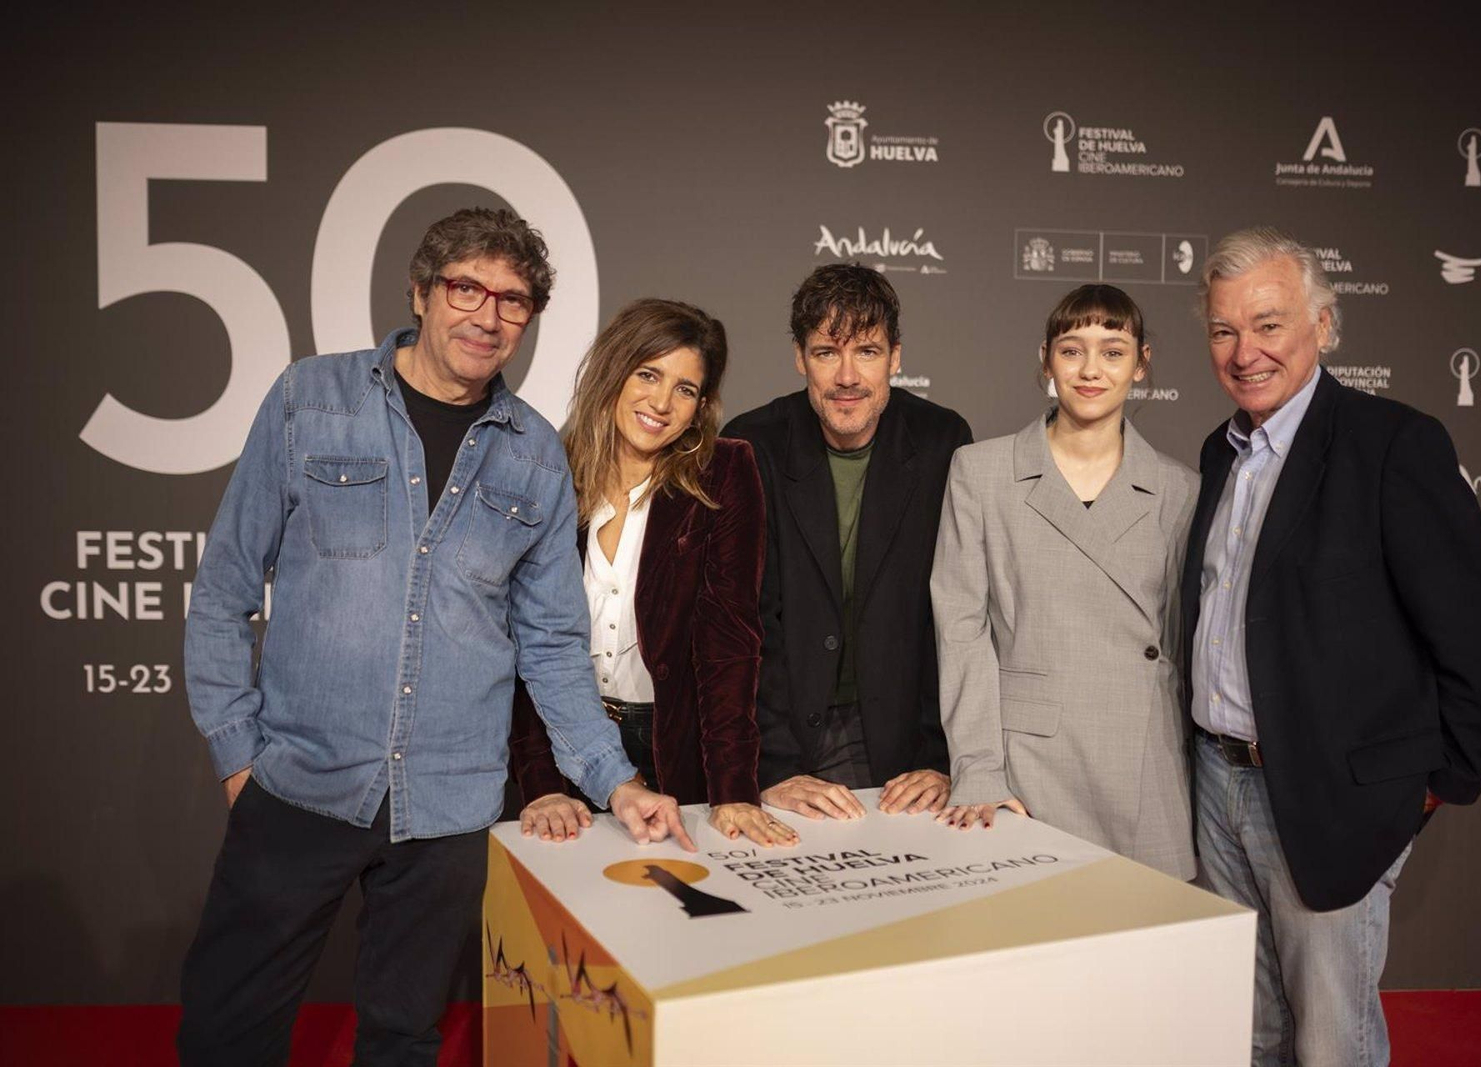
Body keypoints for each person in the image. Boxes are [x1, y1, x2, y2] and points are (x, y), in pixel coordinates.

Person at [178, 208, 692, 1067]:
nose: (488, 316)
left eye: (514, 300)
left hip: (448, 809)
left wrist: (617, 779)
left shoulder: (533, 454)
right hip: (299, 783)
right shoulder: (312, 398)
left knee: (403, 1041)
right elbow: (227, 585)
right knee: (227, 1031)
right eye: (467, 288)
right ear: (421, 291)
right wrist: (239, 756)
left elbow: (554, 644)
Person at [1183, 227, 1481, 1065]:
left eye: (1269, 324)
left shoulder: (1391, 444)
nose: (1245, 351)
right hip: (1216, 784)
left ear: (1324, 326)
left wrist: (1434, 782)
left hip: (1330, 798)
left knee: (1332, 1041)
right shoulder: (1218, 453)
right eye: (1225, 330)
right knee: (1250, 1032)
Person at [509, 298, 799, 848]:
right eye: (648, 375)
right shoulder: (549, 468)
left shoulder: (725, 473)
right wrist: (540, 782)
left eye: (685, 389)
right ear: (615, 371)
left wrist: (734, 788)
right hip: (564, 737)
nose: (662, 403)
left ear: (702, 404)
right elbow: (525, 644)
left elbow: (729, 641)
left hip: (673, 742)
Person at [931, 285, 1198, 879]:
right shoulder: (982, 471)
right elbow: (962, 630)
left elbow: (1180, 643)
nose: (1091, 370)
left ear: (1141, 362)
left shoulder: (1180, 488)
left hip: (1144, 766)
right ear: (1047, 359)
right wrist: (978, 770)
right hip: (1028, 766)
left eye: (1113, 350)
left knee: (1143, 957)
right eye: (1073, 350)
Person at [724, 263, 972, 820]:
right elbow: (743, 621)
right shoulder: (750, 443)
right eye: (826, 353)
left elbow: (955, 613)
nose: (847, 377)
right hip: (783, 736)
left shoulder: (943, 441)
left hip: (906, 745)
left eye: (867, 351)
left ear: (896, 357)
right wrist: (775, 767)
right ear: (799, 359)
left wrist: (943, 757)